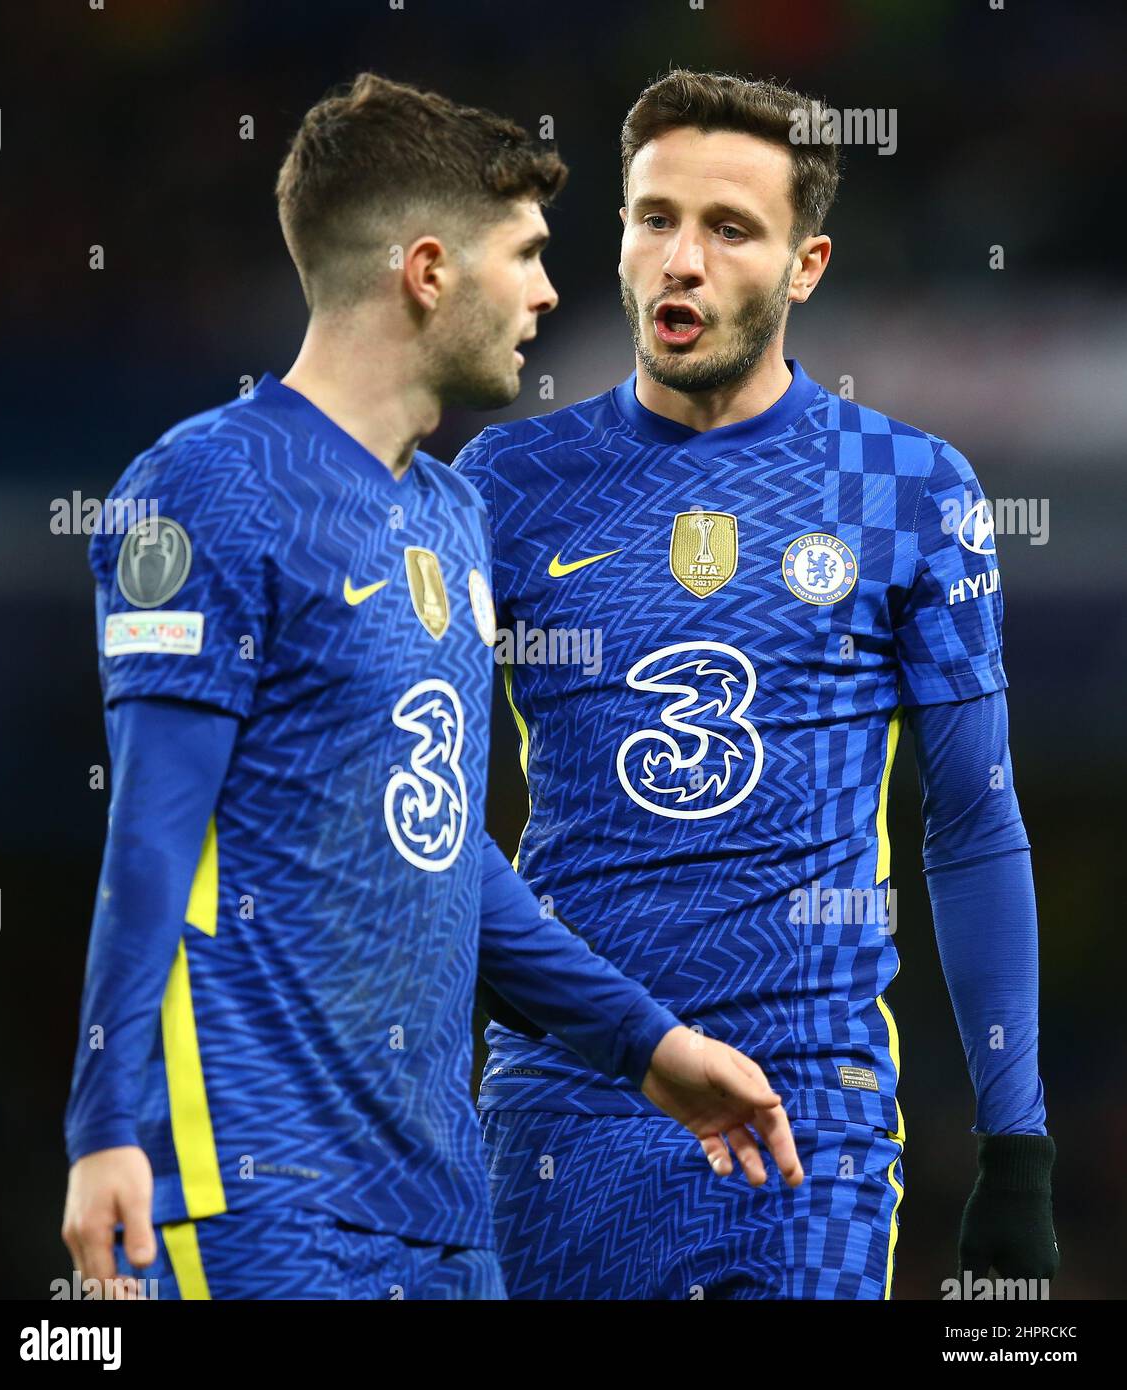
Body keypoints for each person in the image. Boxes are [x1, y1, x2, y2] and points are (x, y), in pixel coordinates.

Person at [61, 73, 802, 1303]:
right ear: (425, 271)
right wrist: (102, 1129)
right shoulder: (205, 488)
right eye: (525, 255)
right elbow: (150, 834)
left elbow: (444, 846)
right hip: (251, 1192)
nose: (549, 292)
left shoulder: (454, 516)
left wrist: (649, 1044)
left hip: (441, 1213)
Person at [454, 68, 1057, 1300]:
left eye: (728, 228)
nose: (679, 260)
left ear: (805, 265)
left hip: (805, 1122)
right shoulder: (504, 485)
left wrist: (1016, 1141)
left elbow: (972, 822)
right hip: (559, 1115)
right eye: (653, 218)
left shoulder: (908, 489)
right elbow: (427, 824)